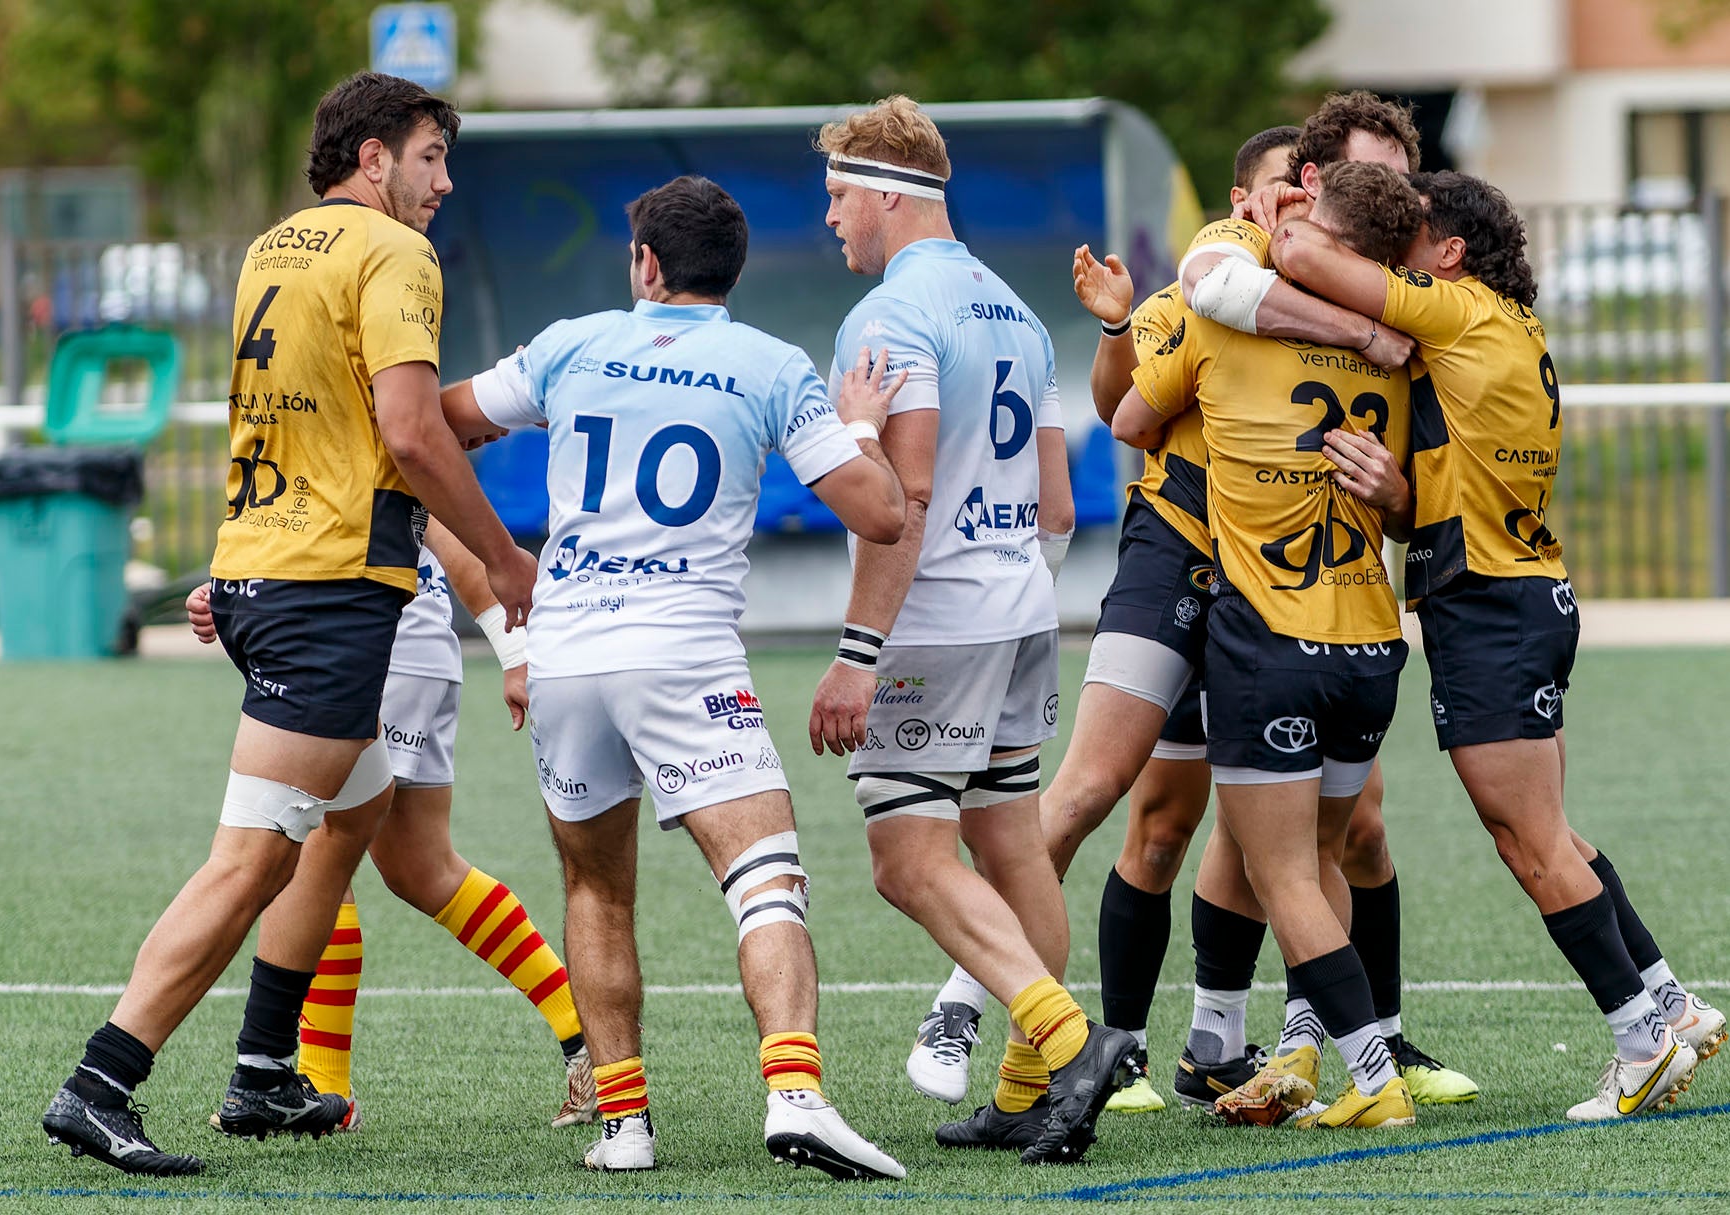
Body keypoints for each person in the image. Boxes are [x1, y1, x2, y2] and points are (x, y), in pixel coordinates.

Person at [42, 71, 538, 1176]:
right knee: (250, 863)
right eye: (429, 158)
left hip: (267, 573)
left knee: (353, 820)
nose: (443, 182)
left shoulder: (276, 247)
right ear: (373, 159)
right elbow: (409, 433)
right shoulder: (395, 253)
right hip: (328, 593)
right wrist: (506, 563)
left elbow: (308, 418)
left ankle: (266, 1069)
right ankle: (101, 1082)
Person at [439, 174, 908, 1177]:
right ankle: (792, 1093)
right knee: (763, 878)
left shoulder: (570, 343)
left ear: (646, 265)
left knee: (598, 894)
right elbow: (880, 513)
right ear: (727, 272)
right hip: (683, 655)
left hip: (564, 655)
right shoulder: (770, 365)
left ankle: (625, 1129)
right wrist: (861, 423)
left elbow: (439, 421)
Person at [1270, 168, 1725, 1119]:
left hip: (1489, 609)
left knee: (1528, 841)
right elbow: (1442, 494)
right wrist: (1398, 496)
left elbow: (1303, 254)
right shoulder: (1504, 328)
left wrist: (1285, 209)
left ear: (1451, 254)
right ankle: (1670, 1003)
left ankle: (1639, 1038)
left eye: (1414, 237)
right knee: (1548, 831)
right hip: (1519, 596)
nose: (1396, 253)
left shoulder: (1459, 311)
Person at [809, 95, 1138, 1166]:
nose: (831, 218)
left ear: (887, 195)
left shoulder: (888, 318)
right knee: (1007, 838)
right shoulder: (1017, 310)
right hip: (1018, 610)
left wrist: (860, 656)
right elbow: (1055, 510)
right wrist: (1005, 588)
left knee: (907, 861)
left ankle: (1069, 1043)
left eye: (838, 195)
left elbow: (893, 500)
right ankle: (1025, 1091)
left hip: (935, 620)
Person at [1116, 159, 1426, 1130]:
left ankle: (1373, 1076)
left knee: (1279, 870)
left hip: (1270, 638)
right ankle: (1282, 1049)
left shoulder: (1215, 310)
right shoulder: (1406, 346)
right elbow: (1422, 496)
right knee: (1321, 854)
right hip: (1370, 637)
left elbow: (1130, 414)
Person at [184, 520, 598, 1134]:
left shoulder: (360, 423)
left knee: (317, 849)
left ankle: (318, 1091)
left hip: (381, 649)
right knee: (420, 868)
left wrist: (516, 652)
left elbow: (442, 522)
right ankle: (586, 1037)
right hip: (400, 643)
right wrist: (233, 590)